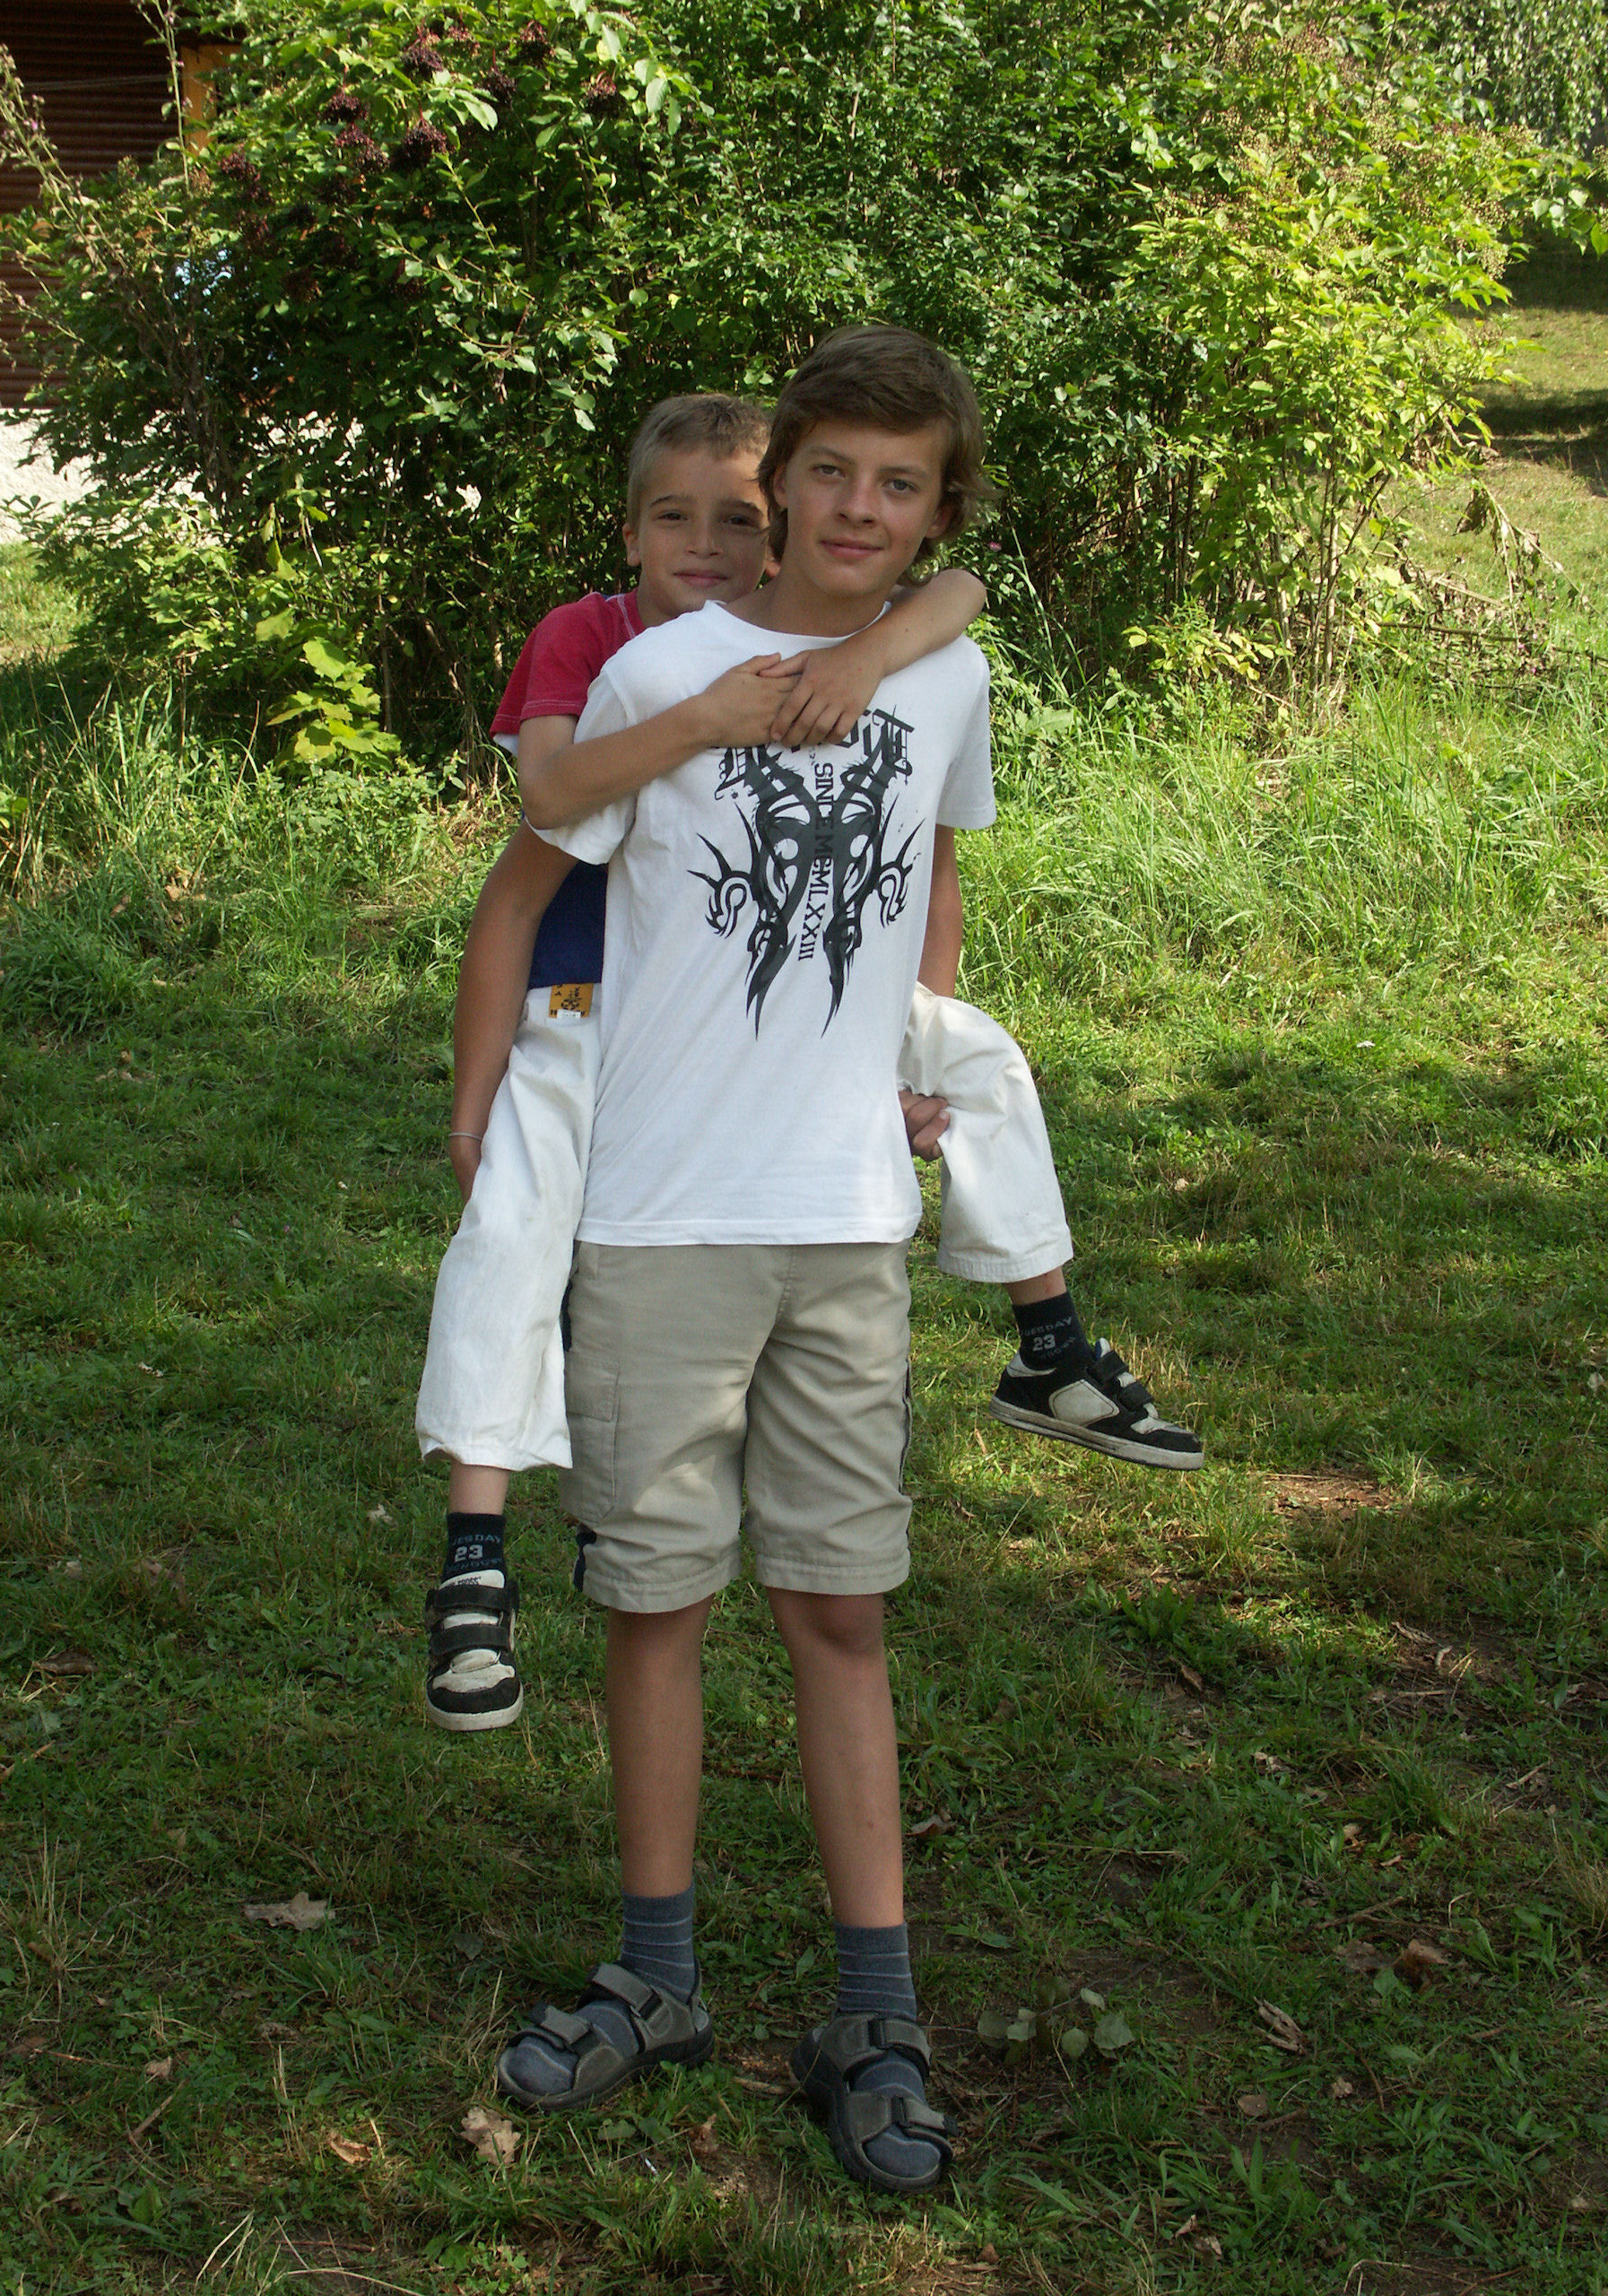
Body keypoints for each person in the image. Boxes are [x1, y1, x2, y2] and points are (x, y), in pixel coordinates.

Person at [413, 396, 1200, 1735]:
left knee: (987, 1064)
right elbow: (534, 837)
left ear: (771, 525)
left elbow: (957, 592)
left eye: (736, 521)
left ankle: (1049, 1339)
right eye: (677, 519)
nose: (710, 548)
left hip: (797, 1035)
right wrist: (472, 1094)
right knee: (512, 1235)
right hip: (596, 1006)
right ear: (632, 532)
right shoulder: (609, 645)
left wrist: (898, 1042)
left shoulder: (863, 654)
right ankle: (474, 1550)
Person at [486, 325, 1045, 2195]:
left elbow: (936, 874)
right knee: (656, 1602)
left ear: (935, 511)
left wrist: (923, 1045)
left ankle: (873, 2011)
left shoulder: (944, 674)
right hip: (659, 1213)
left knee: (839, 1608)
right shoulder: (662, 665)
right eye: (832, 474)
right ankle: (657, 1977)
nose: (860, 509)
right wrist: (727, 711)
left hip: (846, 1221)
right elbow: (551, 814)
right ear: (777, 481)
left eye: (901, 486)